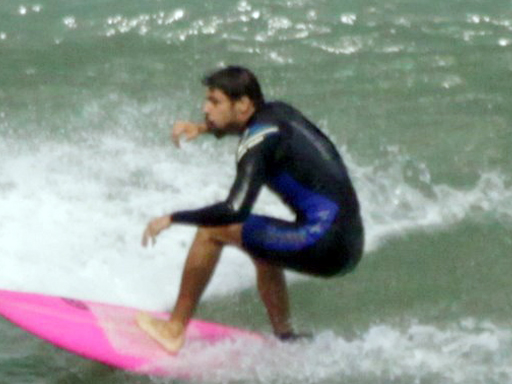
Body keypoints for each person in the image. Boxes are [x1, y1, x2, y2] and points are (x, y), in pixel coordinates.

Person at [136, 66, 364, 353]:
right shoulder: (278, 113)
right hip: (349, 242)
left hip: (323, 242)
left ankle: (173, 329)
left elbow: (234, 209)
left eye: (215, 102)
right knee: (259, 241)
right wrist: (203, 128)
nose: (206, 108)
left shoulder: (255, 142)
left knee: (212, 229)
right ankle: (285, 339)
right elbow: (254, 133)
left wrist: (172, 218)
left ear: (243, 104)